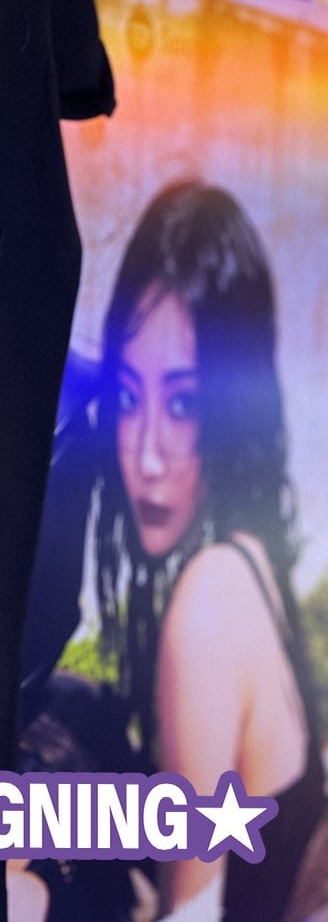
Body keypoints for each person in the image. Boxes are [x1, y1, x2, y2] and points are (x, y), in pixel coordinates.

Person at [90, 181, 324, 921]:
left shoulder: (210, 599)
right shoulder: (254, 569)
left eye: (185, 403)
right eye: (129, 399)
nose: (146, 455)